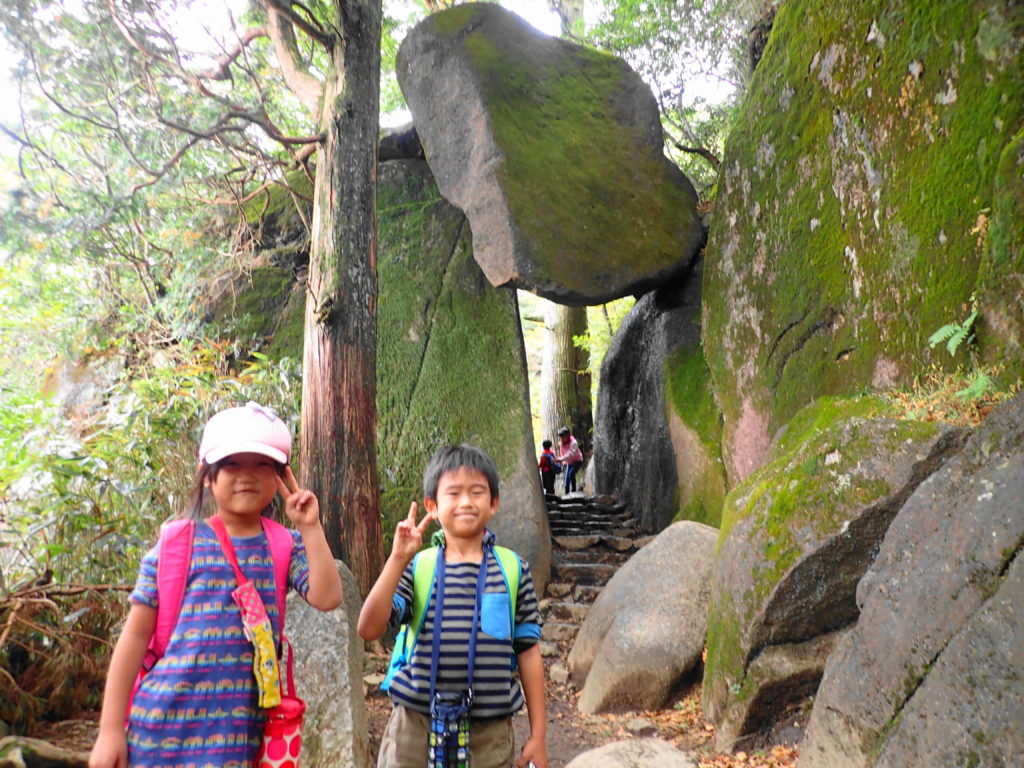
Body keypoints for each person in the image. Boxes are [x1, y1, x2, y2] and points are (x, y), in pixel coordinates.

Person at [89, 402, 343, 768]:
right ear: (207, 475)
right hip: (158, 735)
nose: (247, 475)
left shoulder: (284, 544)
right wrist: (111, 730)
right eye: (231, 464)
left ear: (280, 477)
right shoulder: (178, 544)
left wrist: (310, 526)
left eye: (262, 465)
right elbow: (134, 637)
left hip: (236, 742)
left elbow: (328, 597)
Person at [358, 444, 548, 768]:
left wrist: (538, 735)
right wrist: (397, 559)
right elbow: (369, 628)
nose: (466, 502)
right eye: (454, 493)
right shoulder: (420, 567)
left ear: (494, 503)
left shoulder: (513, 570)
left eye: (477, 492)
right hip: (413, 726)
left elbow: (528, 652)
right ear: (432, 505)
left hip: (489, 732)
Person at [555, 426, 583, 495]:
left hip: (577, 461)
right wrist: (563, 461)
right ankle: (566, 494)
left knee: (571, 473)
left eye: (562, 436)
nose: (561, 438)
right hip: (569, 462)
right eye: (560, 436)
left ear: (567, 435)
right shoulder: (561, 443)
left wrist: (561, 459)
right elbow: (562, 452)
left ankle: (574, 492)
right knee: (566, 480)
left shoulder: (573, 443)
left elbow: (570, 454)